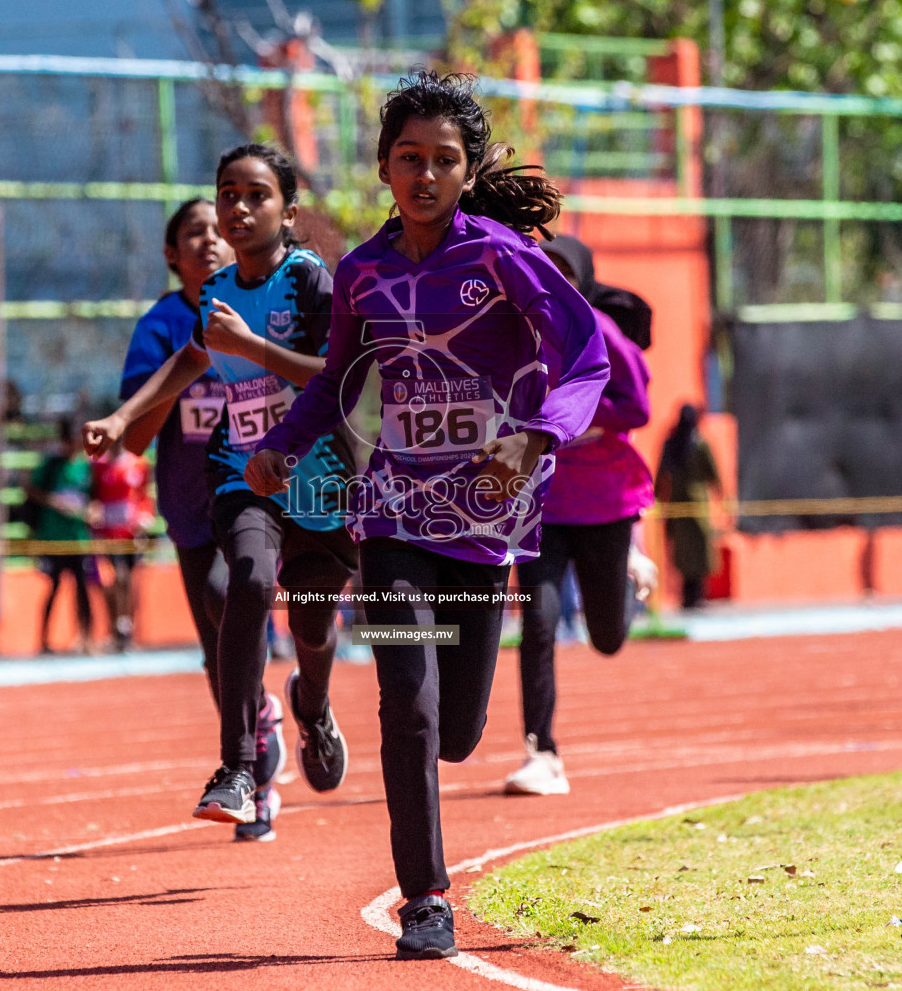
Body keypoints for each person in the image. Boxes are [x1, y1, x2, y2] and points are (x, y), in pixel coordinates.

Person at [246, 71, 609, 960]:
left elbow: (586, 356)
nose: (424, 174)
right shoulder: (363, 271)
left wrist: (535, 440)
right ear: (382, 166)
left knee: (457, 730)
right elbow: (337, 380)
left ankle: (452, 758)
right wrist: (288, 444)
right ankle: (426, 900)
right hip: (395, 511)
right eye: (409, 157)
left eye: (444, 160)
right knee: (406, 699)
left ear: (467, 169)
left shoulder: (500, 258)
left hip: (487, 521)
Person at [85, 145, 358, 843]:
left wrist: (258, 350)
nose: (236, 208)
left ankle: (314, 705)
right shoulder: (216, 293)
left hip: (318, 476)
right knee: (242, 579)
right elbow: (194, 355)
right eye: (227, 193)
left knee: (314, 628)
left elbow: (339, 377)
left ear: (288, 212)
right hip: (242, 470)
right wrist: (121, 419)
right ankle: (239, 767)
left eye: (254, 196)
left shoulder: (309, 281)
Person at [502, 235, 653, 797]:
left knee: (607, 637)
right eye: (546, 269)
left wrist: (574, 416)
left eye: (566, 272)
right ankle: (541, 752)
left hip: (605, 502)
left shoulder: (600, 330)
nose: (554, 281)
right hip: (541, 503)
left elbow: (636, 407)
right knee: (538, 625)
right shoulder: (516, 330)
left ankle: (632, 572)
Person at [118, 198, 234, 682]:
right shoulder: (158, 327)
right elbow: (134, 438)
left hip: (264, 493)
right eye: (193, 232)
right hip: (191, 504)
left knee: (229, 593)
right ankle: (246, 745)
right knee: (216, 638)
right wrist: (181, 373)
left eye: (218, 229)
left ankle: (308, 701)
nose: (208, 239)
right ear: (171, 254)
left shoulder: (267, 307)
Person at [28, 416, 99, 655]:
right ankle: (43, 639)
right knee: (54, 587)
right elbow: (31, 489)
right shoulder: (51, 465)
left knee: (83, 589)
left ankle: (87, 638)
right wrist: (54, 502)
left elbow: (94, 498)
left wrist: (90, 511)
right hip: (55, 538)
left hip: (78, 537)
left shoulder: (85, 466)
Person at [656, 404, 724, 609]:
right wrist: (721, 496)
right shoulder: (699, 444)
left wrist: (655, 495)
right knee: (696, 549)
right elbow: (713, 474)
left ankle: (691, 596)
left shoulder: (672, 443)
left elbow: (661, 474)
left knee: (686, 550)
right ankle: (694, 596)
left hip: (678, 504)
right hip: (696, 504)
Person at [91, 442, 149, 651]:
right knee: (114, 579)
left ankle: (127, 629)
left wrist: (144, 517)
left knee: (130, 580)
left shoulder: (138, 463)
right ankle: (116, 627)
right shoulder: (99, 465)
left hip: (132, 532)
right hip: (108, 533)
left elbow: (143, 494)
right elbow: (93, 495)